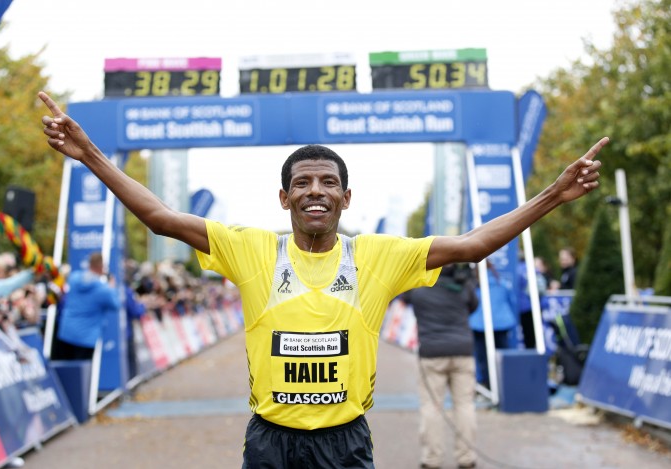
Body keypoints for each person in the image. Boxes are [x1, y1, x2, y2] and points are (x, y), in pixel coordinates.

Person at [38, 91, 607, 467]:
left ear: (345, 196)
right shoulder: (249, 248)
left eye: (328, 182)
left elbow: (475, 243)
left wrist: (554, 194)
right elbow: (161, 217)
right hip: (270, 441)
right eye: (303, 182)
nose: (316, 190)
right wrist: (88, 152)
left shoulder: (379, 255)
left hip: (346, 441)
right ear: (284, 198)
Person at [402, 264, 479, 469]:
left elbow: (402, 296)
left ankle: (432, 459)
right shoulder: (463, 284)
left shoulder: (419, 287)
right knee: (465, 405)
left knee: (432, 407)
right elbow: (474, 306)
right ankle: (466, 458)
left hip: (431, 354)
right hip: (463, 350)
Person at [55, 251, 121, 360]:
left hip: (66, 332)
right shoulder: (104, 290)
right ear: (101, 267)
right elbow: (116, 304)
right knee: (82, 374)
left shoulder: (74, 278)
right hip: (85, 338)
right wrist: (112, 287)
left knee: (64, 372)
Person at [469, 261, 518, 388]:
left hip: (479, 325)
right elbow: (512, 301)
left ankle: (488, 385)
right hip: (502, 323)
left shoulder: (474, 285)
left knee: (483, 359)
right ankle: (508, 383)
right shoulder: (501, 282)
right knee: (504, 357)